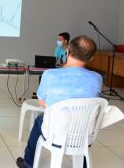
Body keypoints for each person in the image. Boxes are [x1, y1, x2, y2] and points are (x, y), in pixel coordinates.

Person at [16, 35, 102, 168]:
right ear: (91, 58)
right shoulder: (97, 78)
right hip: (83, 134)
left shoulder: (50, 75)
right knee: (83, 121)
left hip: (56, 133)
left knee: (40, 119)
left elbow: (43, 104)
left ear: (68, 52)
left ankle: (28, 163)